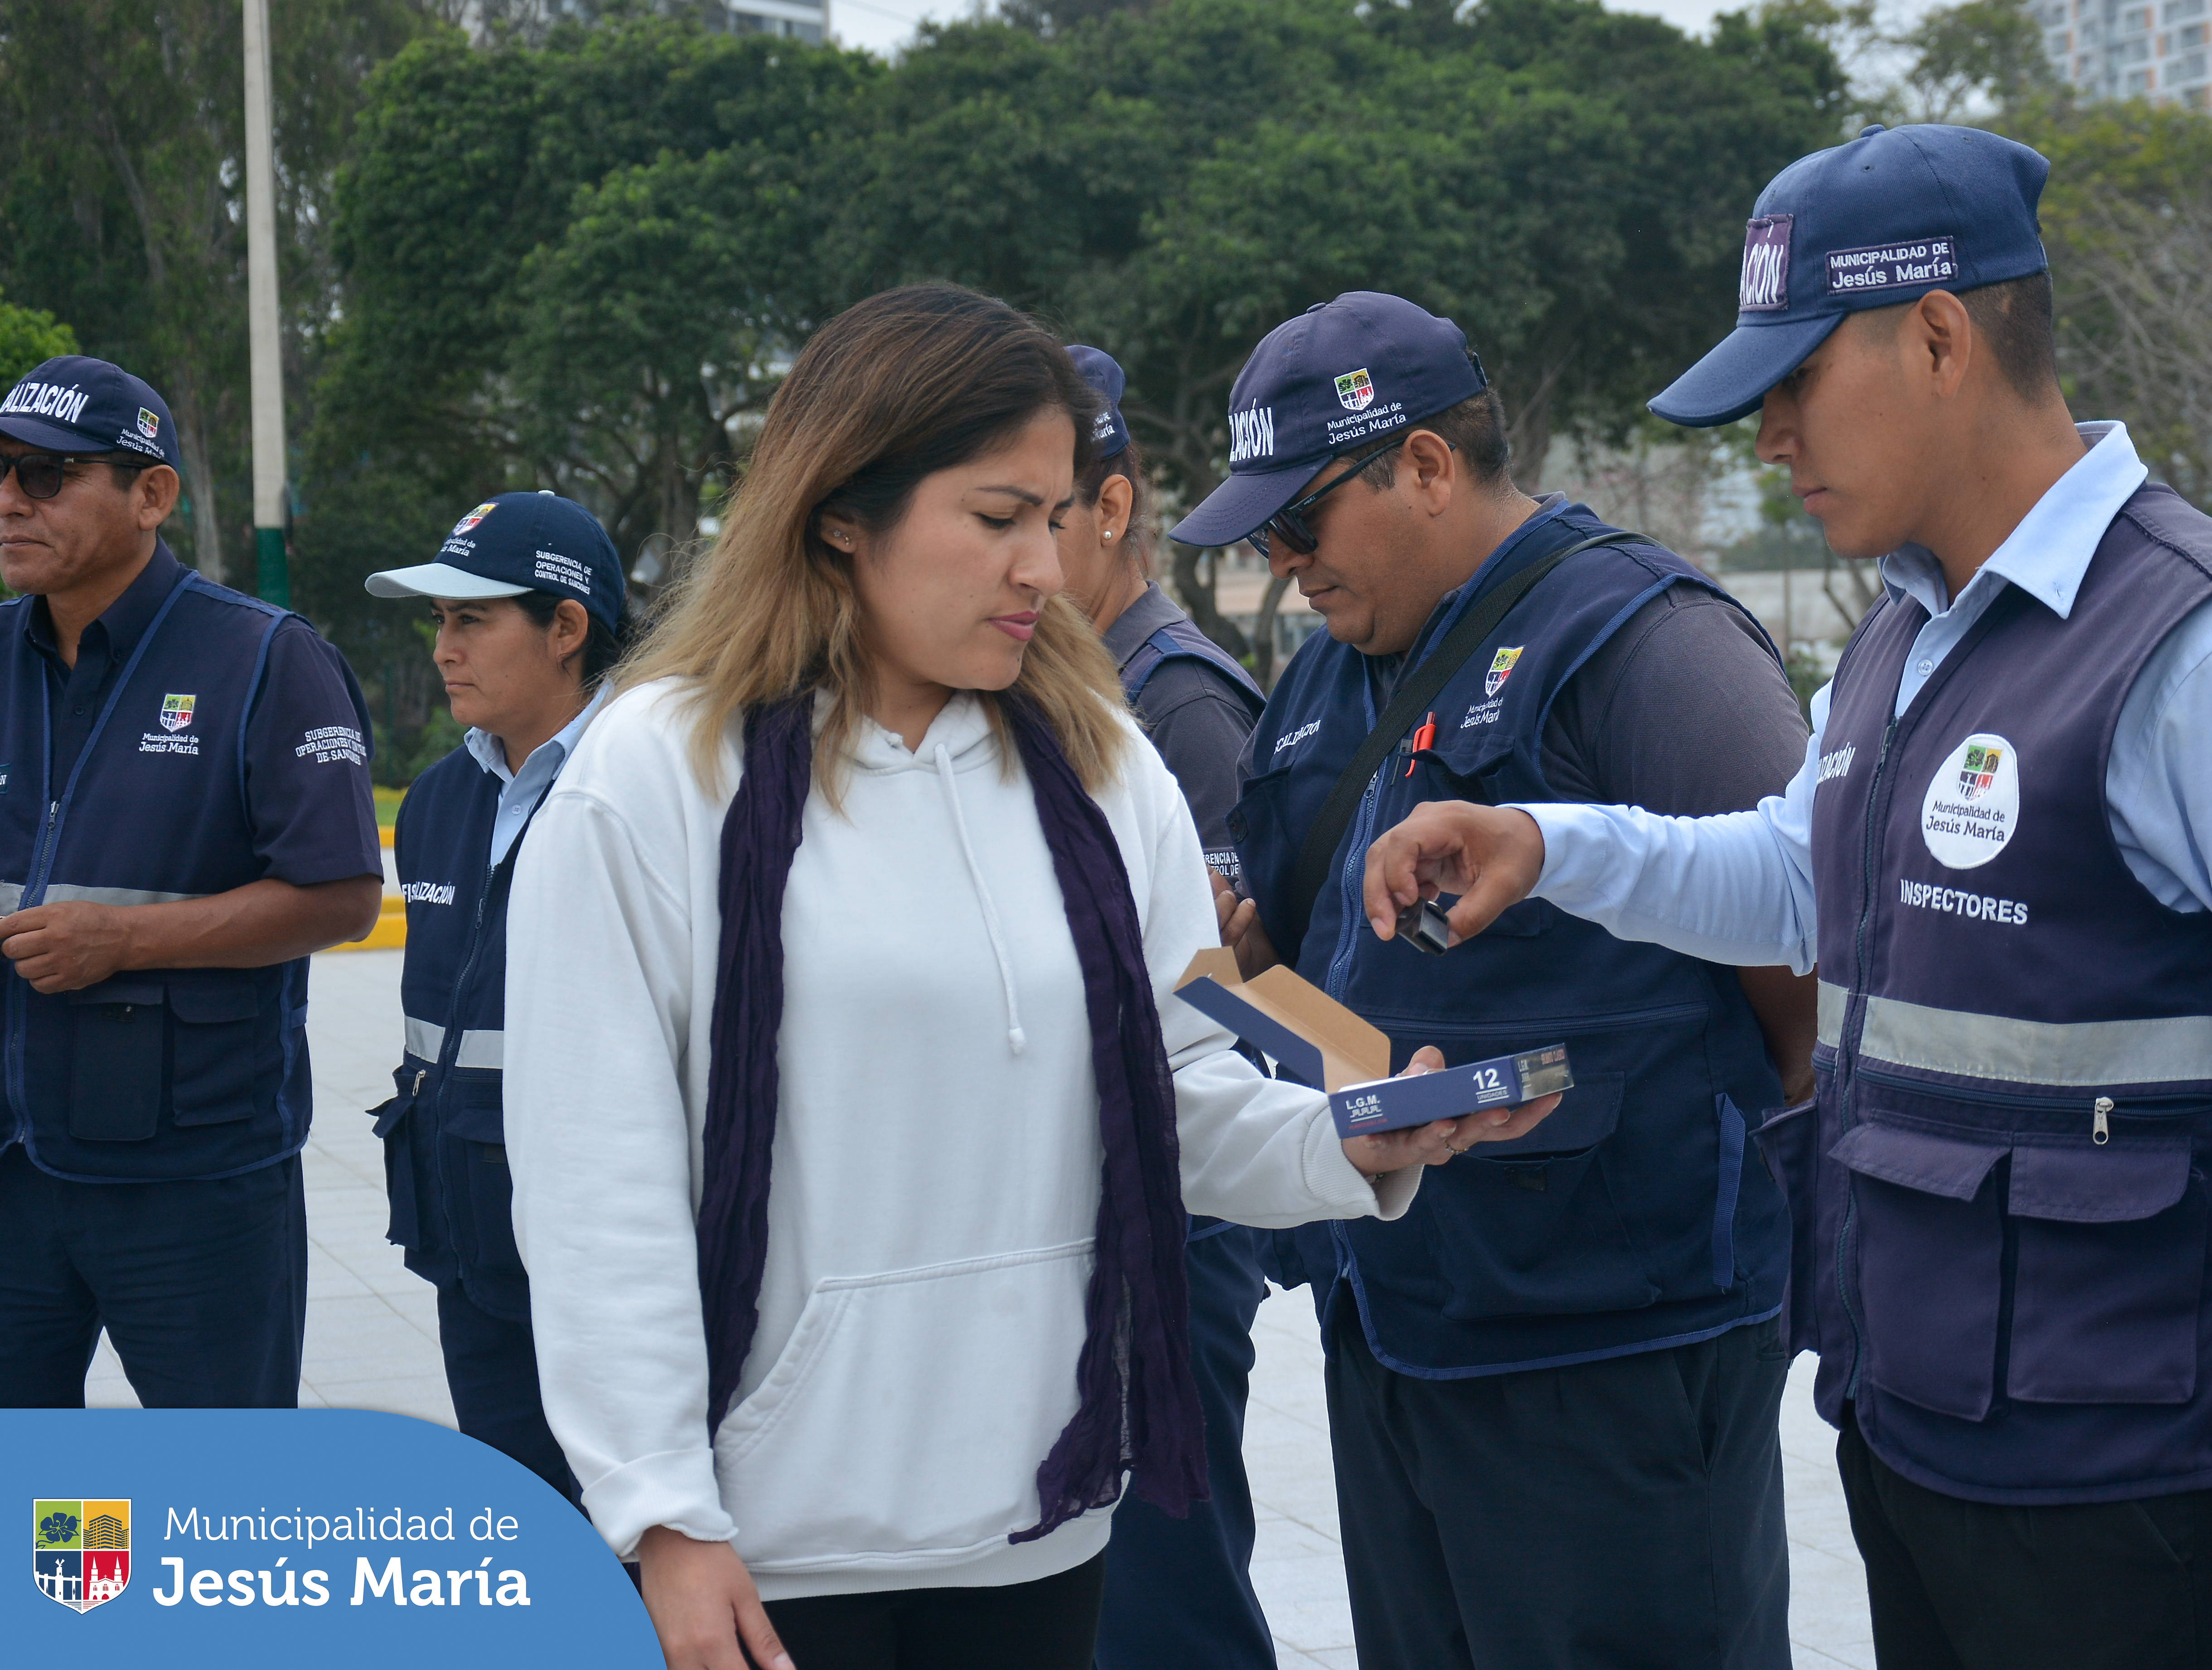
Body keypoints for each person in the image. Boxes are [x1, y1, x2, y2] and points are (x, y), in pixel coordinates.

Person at [1358, 125, 2212, 1670]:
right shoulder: (1901, 639)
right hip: (1914, 1434)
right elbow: (1793, 878)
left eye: (1790, 385)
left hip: (2136, 1487)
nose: (1768, 441)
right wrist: (1548, 844)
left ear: (1938, 336)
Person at [499, 283, 1560, 1670]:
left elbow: (1179, 1084)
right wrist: (660, 1515)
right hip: (771, 1550)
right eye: (996, 518)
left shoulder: (1107, 766)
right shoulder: (657, 773)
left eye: (1055, 518)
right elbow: (598, 1183)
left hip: (1045, 1522)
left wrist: (1351, 1137)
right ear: (839, 511)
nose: (1044, 570)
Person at [1175, 290, 1818, 1670]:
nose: (1286, 565)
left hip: (1613, 1356)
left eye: (1302, 522)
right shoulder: (1323, 683)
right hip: (1403, 1329)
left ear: (1424, 466)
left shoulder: (1644, 641)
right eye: (1266, 535)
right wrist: (1242, 975)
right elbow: (1312, 986)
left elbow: (1809, 969)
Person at [0, 354, 383, 1409]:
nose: (9, 500)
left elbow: (343, 894)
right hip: (14, 1162)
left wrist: (121, 943)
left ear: (152, 494)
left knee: (223, 1498)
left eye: (44, 475)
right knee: (38, 1516)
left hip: (194, 1183)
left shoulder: (266, 659)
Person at [1058, 344, 1277, 1670]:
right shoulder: (1071, 695)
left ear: (1115, 506)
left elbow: (1252, 991)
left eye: (1038, 512)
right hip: (1086, 1228)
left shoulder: (1177, 708)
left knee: (1168, 1610)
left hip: (1176, 1228)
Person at [362, 490, 628, 1499]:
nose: (444, 648)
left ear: (566, 628)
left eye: (472, 618)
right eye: (439, 620)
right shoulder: (439, 798)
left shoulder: (650, 785)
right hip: (473, 1257)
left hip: (611, 1270)